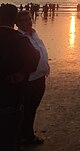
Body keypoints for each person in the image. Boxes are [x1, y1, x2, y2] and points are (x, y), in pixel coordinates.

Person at [0, 4, 40, 151]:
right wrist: (23, 73)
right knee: (10, 137)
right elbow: (35, 57)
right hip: (12, 95)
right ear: (14, 20)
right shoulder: (19, 39)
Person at [16, 10, 50, 146]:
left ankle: (26, 135)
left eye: (29, 19)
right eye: (25, 20)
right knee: (27, 110)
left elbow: (41, 52)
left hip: (41, 78)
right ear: (17, 23)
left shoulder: (34, 34)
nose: (29, 22)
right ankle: (26, 137)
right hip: (30, 81)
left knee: (33, 109)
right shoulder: (20, 38)